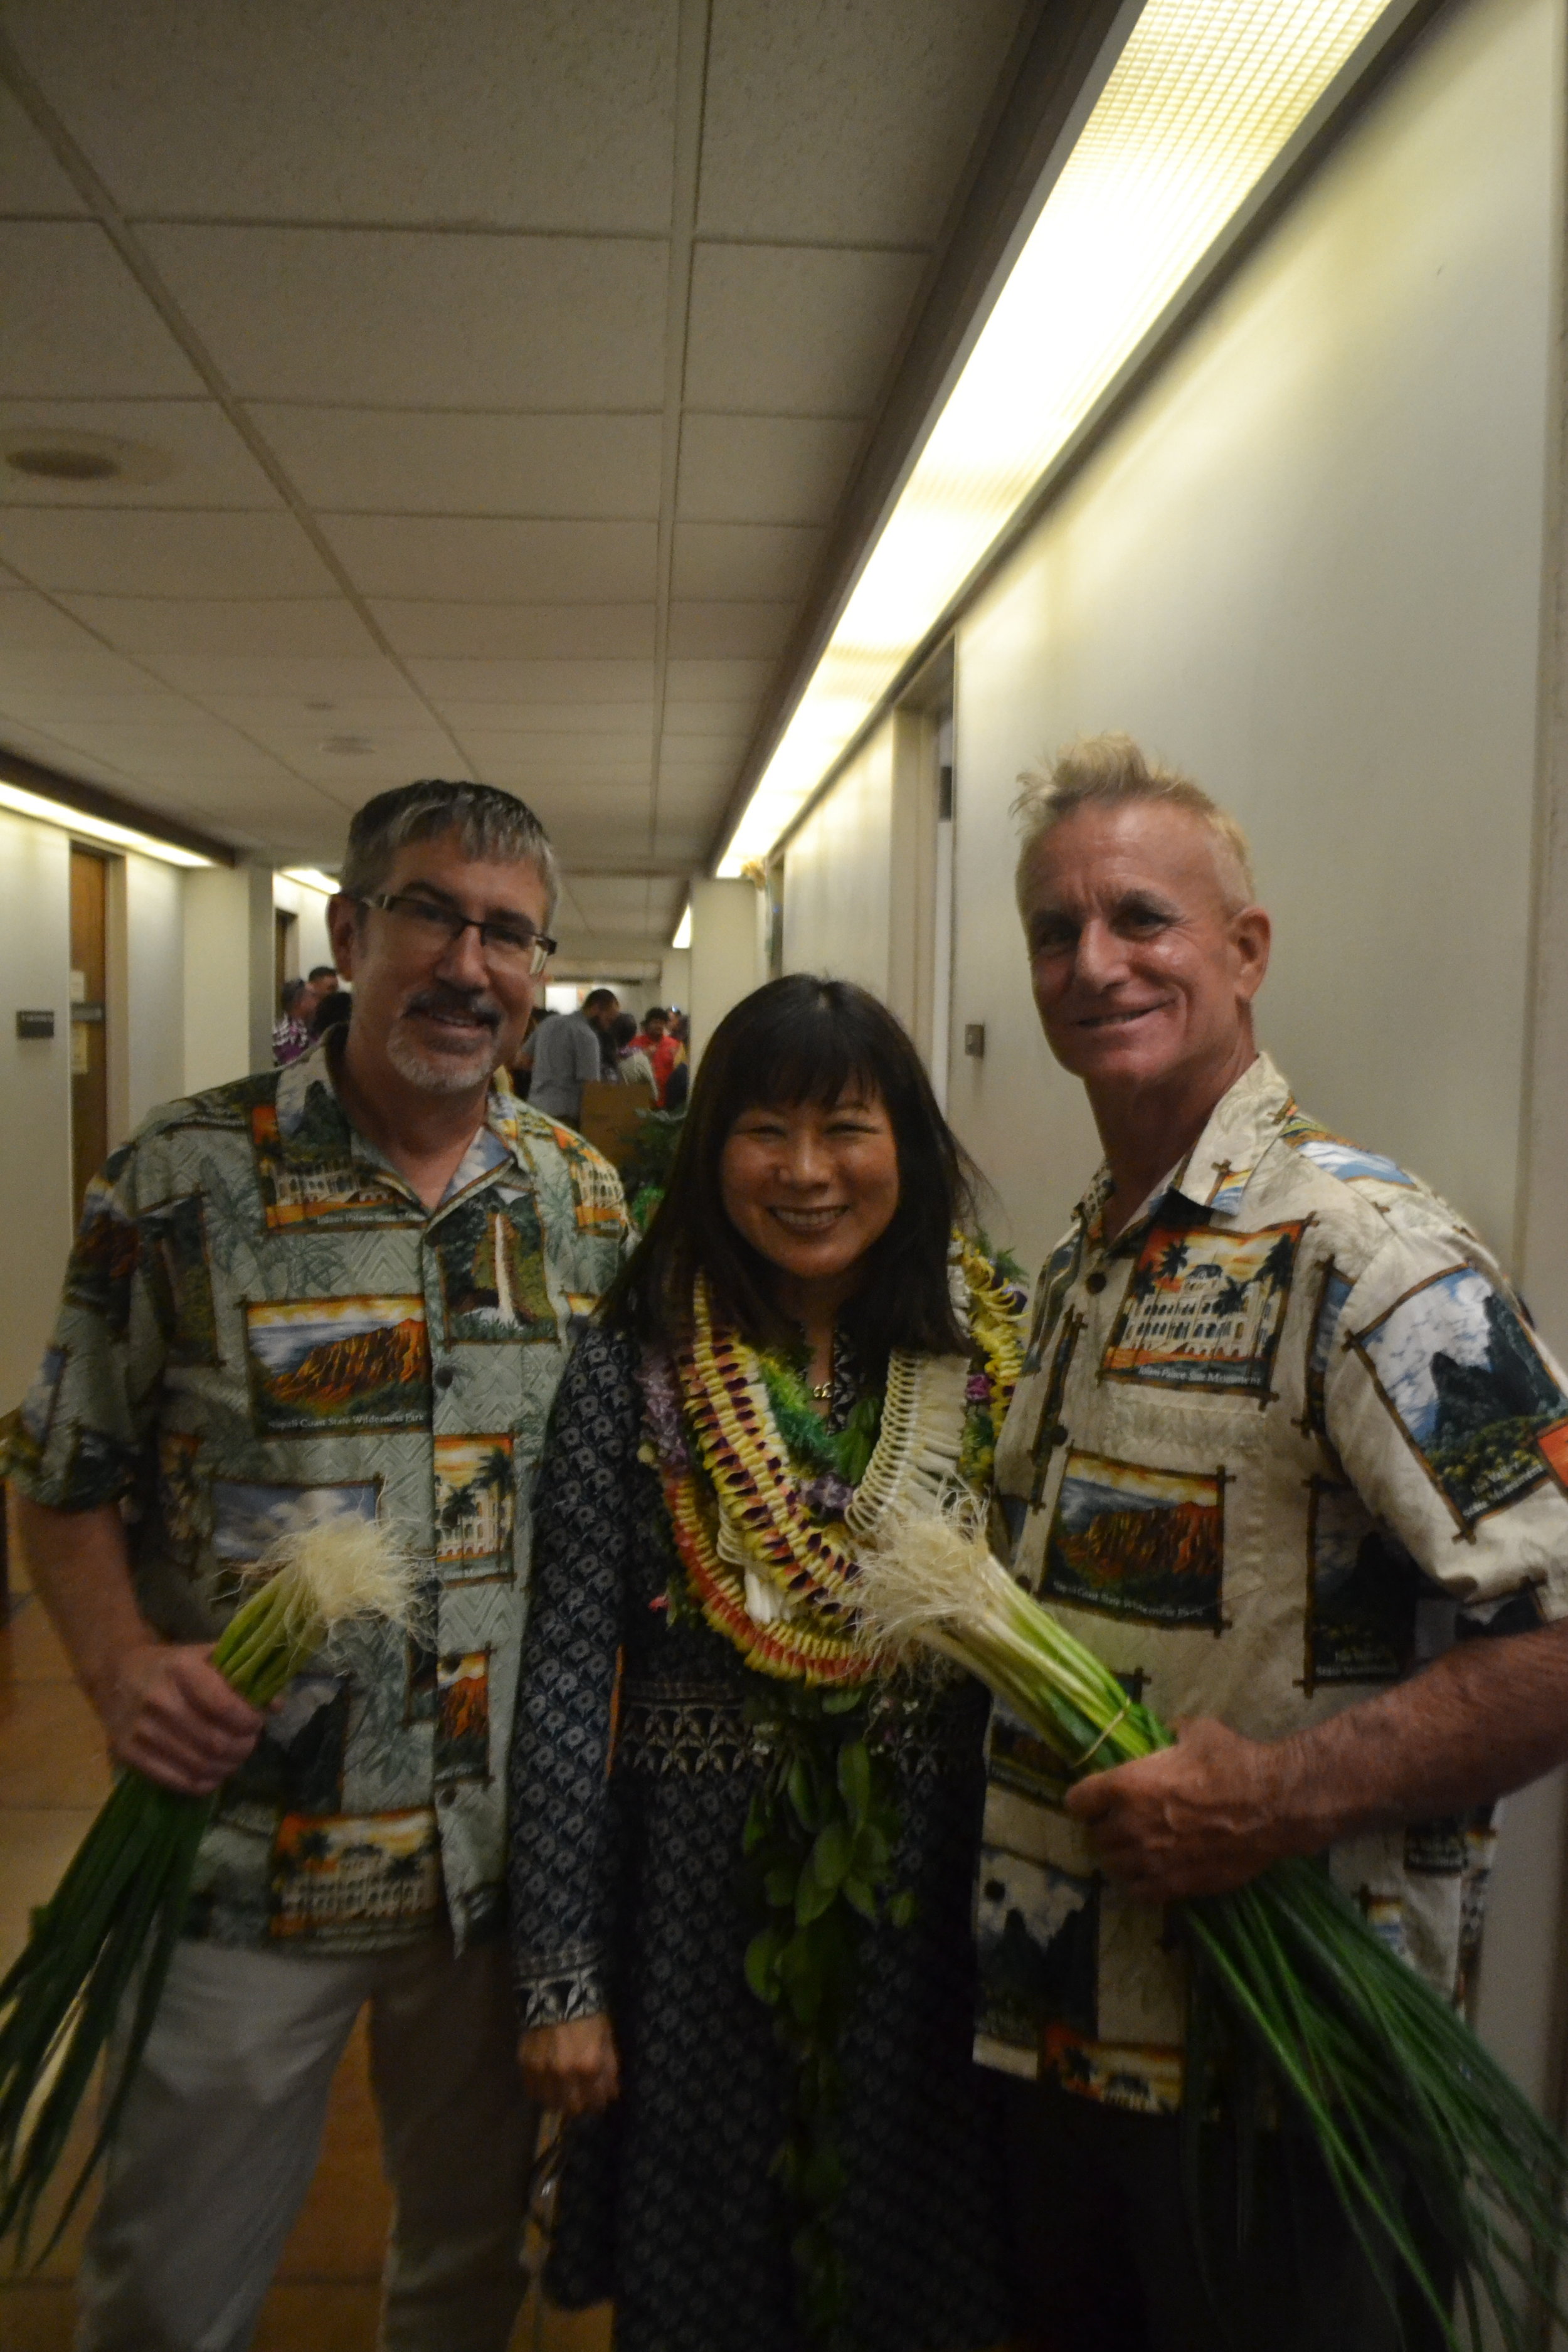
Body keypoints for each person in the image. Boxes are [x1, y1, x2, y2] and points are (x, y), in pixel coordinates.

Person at [5, 778, 630, 2352]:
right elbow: (62, 1471)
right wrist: (118, 1663)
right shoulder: (183, 1175)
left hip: (492, 1858)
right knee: (169, 2286)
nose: (466, 964)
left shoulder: (579, 1200)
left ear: (540, 968)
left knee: (461, 2265)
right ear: (350, 930)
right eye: (431, 912)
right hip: (244, 1851)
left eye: (507, 932)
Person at [987, 734, 1568, 2350]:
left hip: (1294, 2087)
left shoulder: (1370, 1254)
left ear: (1245, 949)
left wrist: (1284, 1794)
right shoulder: (1079, 1261)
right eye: (1055, 930)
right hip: (1071, 2036)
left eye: (1141, 917)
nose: (1093, 961)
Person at [508, 975, 1024, 2352]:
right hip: (688, 1909)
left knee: (928, 2263)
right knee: (710, 2270)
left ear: (905, 1147)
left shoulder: (992, 1356)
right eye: (763, 1130)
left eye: (844, 1128)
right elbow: (564, 1674)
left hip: (936, 1910)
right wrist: (562, 1975)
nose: (805, 1173)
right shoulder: (630, 1371)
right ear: (705, 1150)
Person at [529, 985, 620, 1128]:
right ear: (596, 1008)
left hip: (534, 1109)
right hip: (564, 1116)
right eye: (608, 1020)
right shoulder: (587, 1036)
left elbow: (521, 1060)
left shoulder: (548, 1023)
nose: (608, 1027)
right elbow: (591, 1085)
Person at [271, 975, 315, 1064]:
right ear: (299, 1002)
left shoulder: (310, 1027)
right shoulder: (288, 1033)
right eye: (313, 996)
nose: (319, 1001)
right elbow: (295, 1070)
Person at [607, 1009, 655, 1089]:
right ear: (633, 1033)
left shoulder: (602, 1056)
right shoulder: (640, 1059)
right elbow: (653, 1093)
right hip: (635, 1101)